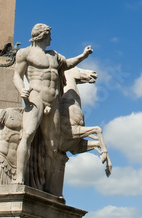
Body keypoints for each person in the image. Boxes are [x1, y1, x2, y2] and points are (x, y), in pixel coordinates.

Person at [12, 24, 93, 186]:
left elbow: (68, 64)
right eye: (49, 35)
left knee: (53, 145)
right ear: (42, 35)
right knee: (27, 135)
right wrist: (22, 90)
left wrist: (83, 56)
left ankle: (47, 184)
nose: (51, 38)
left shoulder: (54, 55)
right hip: (36, 97)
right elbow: (17, 75)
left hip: (54, 101)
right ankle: (19, 176)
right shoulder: (25, 53)